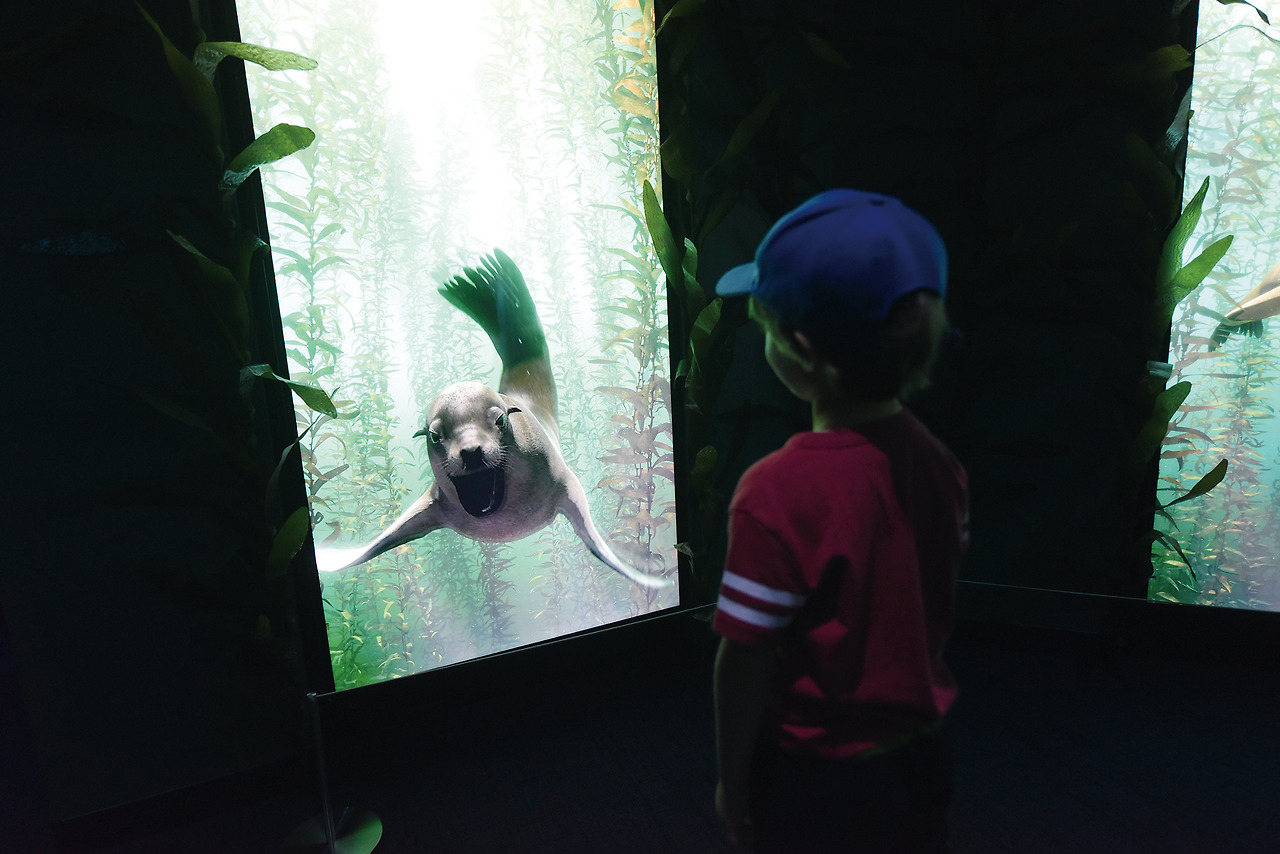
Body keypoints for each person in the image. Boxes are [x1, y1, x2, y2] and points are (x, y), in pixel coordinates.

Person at [711, 189, 969, 853]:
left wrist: (732, 782)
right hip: (921, 751)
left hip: (816, 776)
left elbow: (745, 658)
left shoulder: (775, 492)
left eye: (764, 328)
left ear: (798, 353)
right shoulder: (941, 465)